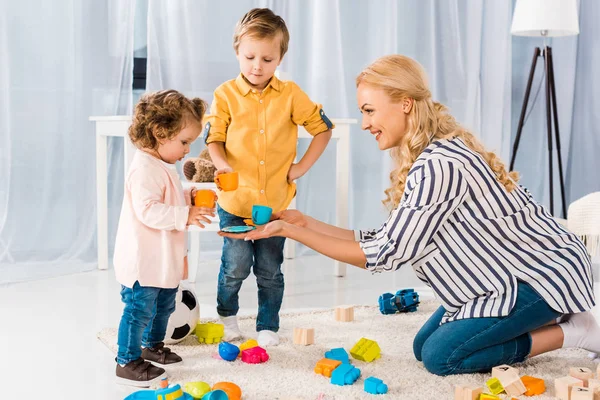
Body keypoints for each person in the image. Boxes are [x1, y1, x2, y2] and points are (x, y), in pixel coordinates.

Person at [220, 55, 600, 376]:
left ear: (404, 103)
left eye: (369, 111)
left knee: (441, 357)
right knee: (422, 346)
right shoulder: (430, 156)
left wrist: (292, 232)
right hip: (501, 277)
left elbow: (386, 255)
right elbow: (386, 236)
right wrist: (305, 222)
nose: (366, 123)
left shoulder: (439, 165)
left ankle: (579, 332)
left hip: (539, 275)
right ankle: (542, 319)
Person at [204, 8, 333, 347]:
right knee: (235, 267)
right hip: (235, 202)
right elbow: (214, 138)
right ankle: (228, 318)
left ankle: (268, 326)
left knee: (270, 271)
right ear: (237, 51)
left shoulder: (291, 94)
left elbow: (323, 129)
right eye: (249, 57)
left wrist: (301, 167)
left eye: (267, 58)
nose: (257, 65)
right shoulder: (224, 95)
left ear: (280, 58)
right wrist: (221, 165)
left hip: (275, 204)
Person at [113, 90, 214, 386]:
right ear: (160, 133)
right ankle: (126, 360)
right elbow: (148, 210)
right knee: (138, 310)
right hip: (142, 262)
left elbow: (166, 197)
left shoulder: (162, 165)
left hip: (161, 260)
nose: (187, 150)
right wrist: (186, 214)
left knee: (164, 307)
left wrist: (188, 195)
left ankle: (151, 345)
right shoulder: (143, 168)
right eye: (184, 142)